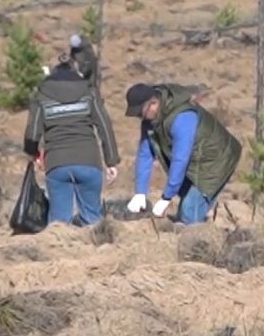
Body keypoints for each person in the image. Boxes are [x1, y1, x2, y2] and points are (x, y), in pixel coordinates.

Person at [124, 82, 241, 224]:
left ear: (153, 103)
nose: (139, 117)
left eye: (139, 113)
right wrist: (140, 192)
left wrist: (167, 197)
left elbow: (180, 159)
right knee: (186, 207)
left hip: (216, 159)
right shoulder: (150, 121)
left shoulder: (182, 117)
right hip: (194, 160)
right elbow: (145, 154)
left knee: (188, 213)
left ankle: (200, 241)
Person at [22, 58, 121, 226]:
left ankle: (60, 250)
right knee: (93, 221)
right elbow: (104, 125)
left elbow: (32, 133)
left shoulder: (41, 96)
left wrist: (34, 154)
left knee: (59, 224)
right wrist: (111, 161)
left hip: (57, 163)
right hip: (88, 160)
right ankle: (95, 249)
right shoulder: (89, 92)